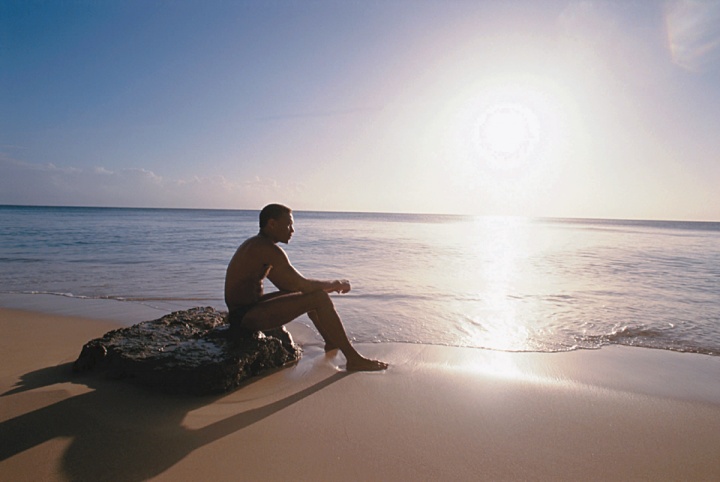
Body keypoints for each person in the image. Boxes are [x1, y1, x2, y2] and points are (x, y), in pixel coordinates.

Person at [224, 203, 388, 372]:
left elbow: (291, 286)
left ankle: (331, 342)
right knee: (318, 297)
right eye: (289, 224)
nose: (292, 230)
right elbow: (303, 285)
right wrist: (336, 284)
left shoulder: (257, 245)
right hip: (245, 317)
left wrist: (313, 288)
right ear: (272, 224)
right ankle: (353, 359)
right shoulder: (266, 248)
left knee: (310, 295)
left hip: (243, 312)